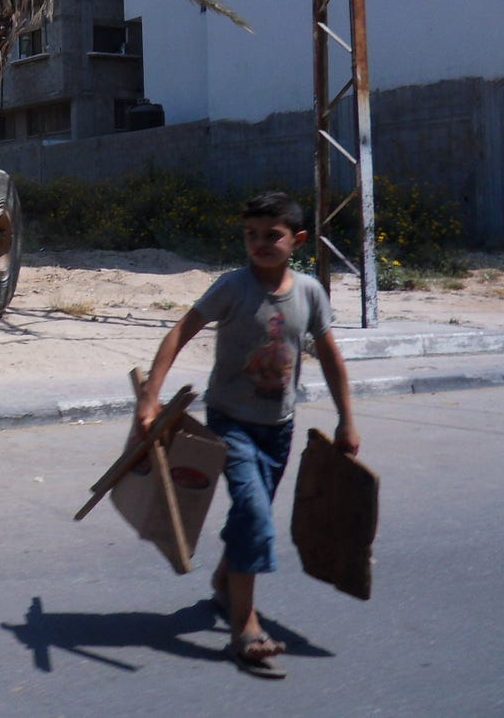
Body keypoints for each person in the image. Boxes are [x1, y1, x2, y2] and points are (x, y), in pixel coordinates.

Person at [135, 191, 360, 680]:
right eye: (251, 234)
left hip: (279, 429)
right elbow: (181, 331)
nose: (259, 243)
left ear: (297, 240)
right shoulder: (232, 288)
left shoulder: (309, 293)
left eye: (271, 235)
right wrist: (151, 398)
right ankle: (246, 626)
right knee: (255, 517)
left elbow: (332, 357)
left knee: (249, 516)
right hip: (230, 423)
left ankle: (225, 580)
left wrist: (347, 418)